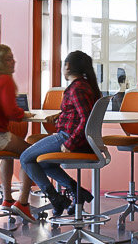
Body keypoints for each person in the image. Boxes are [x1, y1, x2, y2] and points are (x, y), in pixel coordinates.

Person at [16, 51, 102, 219]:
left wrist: (70, 143)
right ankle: (76, 191)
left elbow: (86, 119)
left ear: (67, 66)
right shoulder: (85, 85)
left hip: (69, 137)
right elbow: (79, 113)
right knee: (45, 163)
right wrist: (60, 115)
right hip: (78, 138)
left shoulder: (77, 88)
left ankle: (55, 198)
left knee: (26, 158)